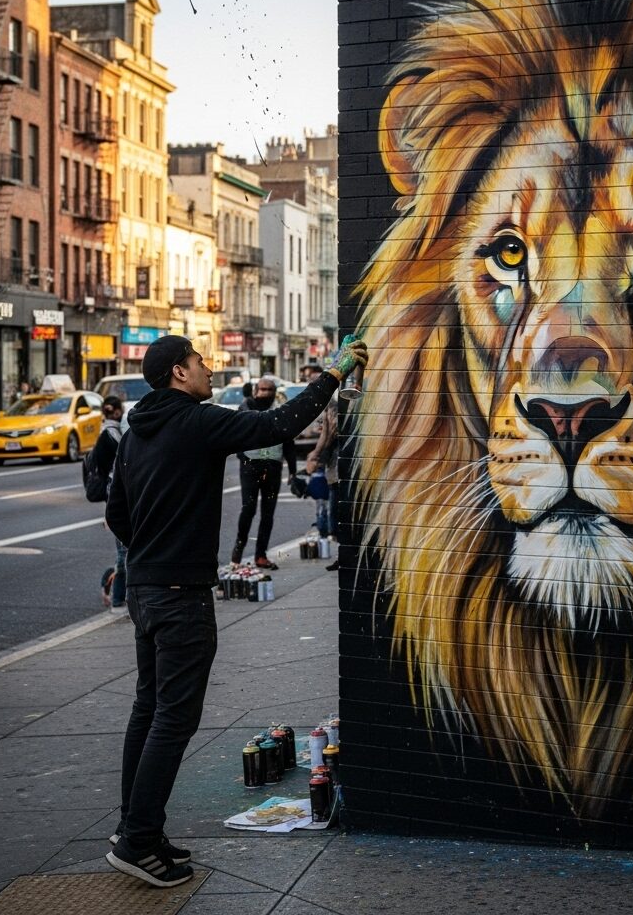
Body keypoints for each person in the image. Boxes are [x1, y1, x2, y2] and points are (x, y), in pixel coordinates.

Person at [104, 332, 366, 888]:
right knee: (173, 719)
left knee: (147, 711)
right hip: (181, 596)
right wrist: (335, 373)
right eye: (199, 362)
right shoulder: (196, 421)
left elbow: (116, 515)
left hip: (148, 591)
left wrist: (149, 553)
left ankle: (135, 826)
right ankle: (137, 840)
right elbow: (276, 426)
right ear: (179, 372)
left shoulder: (135, 434)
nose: (208, 370)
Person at [229, 377, 297, 569]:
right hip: (251, 466)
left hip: (273, 467)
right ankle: (237, 555)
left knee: (268, 514)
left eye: (270, 390)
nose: (266, 393)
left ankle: (261, 555)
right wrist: (242, 456)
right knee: (248, 509)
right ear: (256, 390)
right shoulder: (246, 407)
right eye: (263, 389)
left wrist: (292, 471)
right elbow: (236, 433)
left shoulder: (279, 411)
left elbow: (289, 442)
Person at [90, 395, 126, 608]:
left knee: (125, 553)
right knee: (124, 555)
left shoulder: (108, 433)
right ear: (117, 412)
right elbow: (112, 474)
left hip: (115, 500)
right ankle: (117, 599)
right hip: (117, 500)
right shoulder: (113, 435)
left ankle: (116, 595)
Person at [305, 394, 339, 570]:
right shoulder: (329, 406)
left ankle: (345, 556)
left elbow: (328, 432)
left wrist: (317, 454)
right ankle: (343, 556)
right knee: (336, 516)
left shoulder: (331, 406)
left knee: (337, 518)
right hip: (333, 471)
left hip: (337, 470)